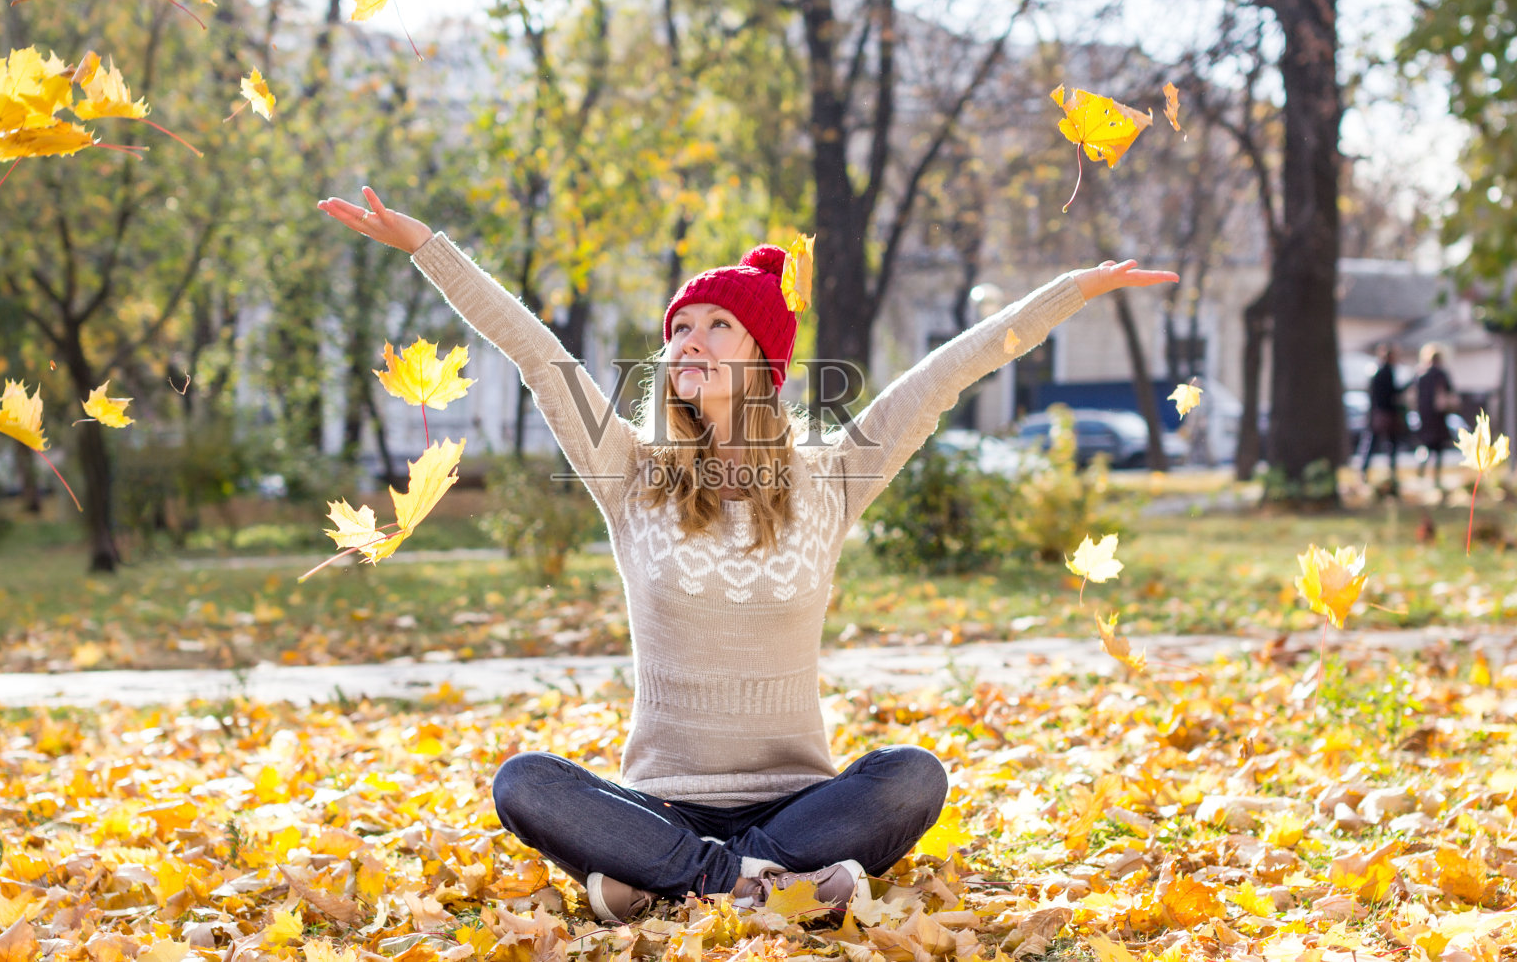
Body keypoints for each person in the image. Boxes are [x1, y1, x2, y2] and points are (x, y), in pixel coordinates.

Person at [317, 186, 1178, 924]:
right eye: (678, 327)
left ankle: (678, 881)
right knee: (525, 781)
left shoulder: (832, 480)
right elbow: (540, 355)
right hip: (657, 801)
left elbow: (946, 373)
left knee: (912, 776)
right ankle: (760, 885)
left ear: (764, 361)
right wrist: (425, 246)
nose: (686, 340)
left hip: (800, 802)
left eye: (714, 325)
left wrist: (1072, 290)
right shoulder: (632, 474)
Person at [1361, 344, 1406, 485]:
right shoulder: (1386, 372)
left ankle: (1364, 470)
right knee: (1390, 444)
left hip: (1377, 412)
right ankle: (1390, 474)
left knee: (1373, 444)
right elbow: (1392, 393)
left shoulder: (1376, 372)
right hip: (1386, 413)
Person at [1414, 344, 1457, 486]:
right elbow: (1450, 391)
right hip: (1438, 415)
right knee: (1438, 447)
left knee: (1426, 444)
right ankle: (1436, 477)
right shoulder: (1441, 374)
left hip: (1425, 416)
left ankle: (1422, 469)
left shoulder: (1421, 375)